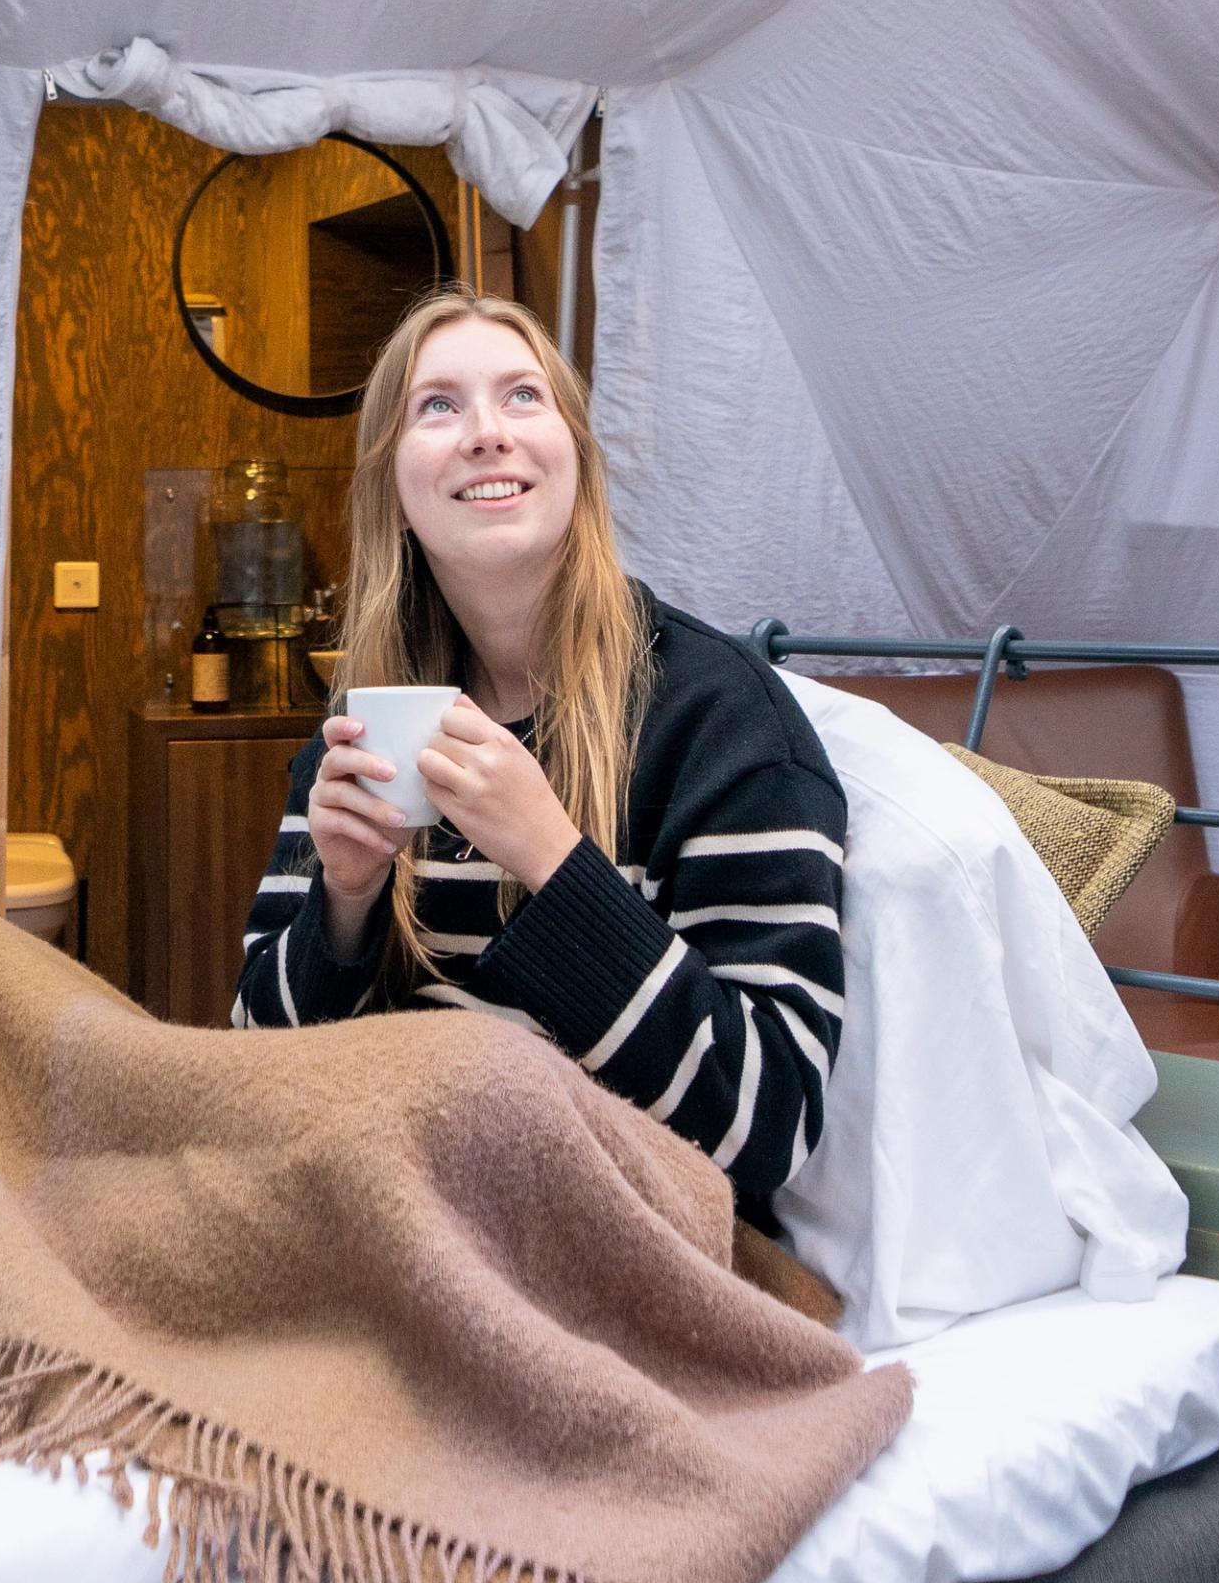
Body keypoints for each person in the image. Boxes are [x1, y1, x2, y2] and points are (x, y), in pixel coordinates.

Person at [231, 287, 845, 1220]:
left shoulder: (721, 724)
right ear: (392, 490)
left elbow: (768, 1127)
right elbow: (251, 1070)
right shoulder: (367, 730)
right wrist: (345, 906)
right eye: (438, 406)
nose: (487, 432)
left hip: (610, 1226)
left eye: (524, 396)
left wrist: (553, 861)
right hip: (379, 1200)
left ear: (579, 464)